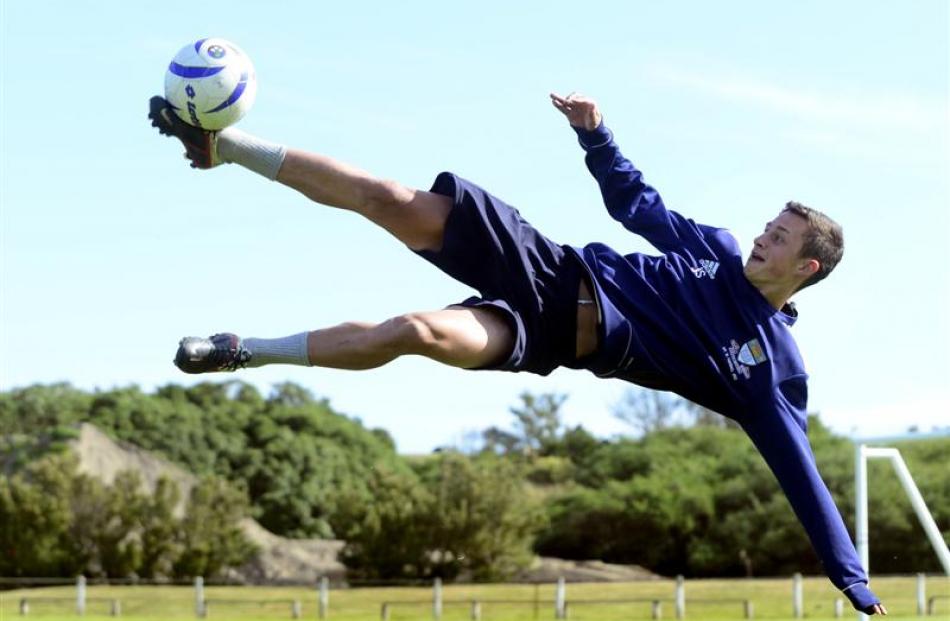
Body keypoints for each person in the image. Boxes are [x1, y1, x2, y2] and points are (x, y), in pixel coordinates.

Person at [149, 92, 887, 615]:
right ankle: (225, 147)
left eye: (779, 238)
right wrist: (596, 136)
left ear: (806, 269)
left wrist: (852, 580)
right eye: (768, 225)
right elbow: (637, 204)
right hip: (547, 266)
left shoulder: (770, 368)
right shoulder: (719, 250)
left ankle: (245, 351)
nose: (762, 236)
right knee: (387, 197)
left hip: (544, 339)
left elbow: (801, 473)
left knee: (411, 331)